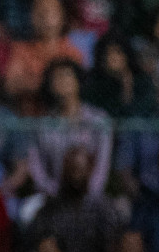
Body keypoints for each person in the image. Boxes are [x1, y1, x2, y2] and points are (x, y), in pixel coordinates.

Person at [22, 60, 112, 200]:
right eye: (56, 77)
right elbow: (37, 168)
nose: (61, 81)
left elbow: (102, 165)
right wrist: (55, 193)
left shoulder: (99, 120)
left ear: (78, 81)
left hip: (90, 197)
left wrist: (88, 194)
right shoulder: (43, 125)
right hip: (52, 197)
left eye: (66, 75)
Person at [27, 147, 120, 252]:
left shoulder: (103, 209)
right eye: (72, 169)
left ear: (89, 170)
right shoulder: (50, 209)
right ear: (64, 171)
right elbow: (34, 246)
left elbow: (112, 249)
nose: (76, 176)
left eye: (80, 169)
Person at [4, 0, 86, 115]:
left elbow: (79, 88)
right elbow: (10, 86)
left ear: (62, 17)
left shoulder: (73, 52)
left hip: (64, 123)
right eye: (41, 14)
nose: (46, 18)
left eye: (52, 13)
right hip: (31, 121)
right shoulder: (21, 50)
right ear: (33, 18)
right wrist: (49, 85)